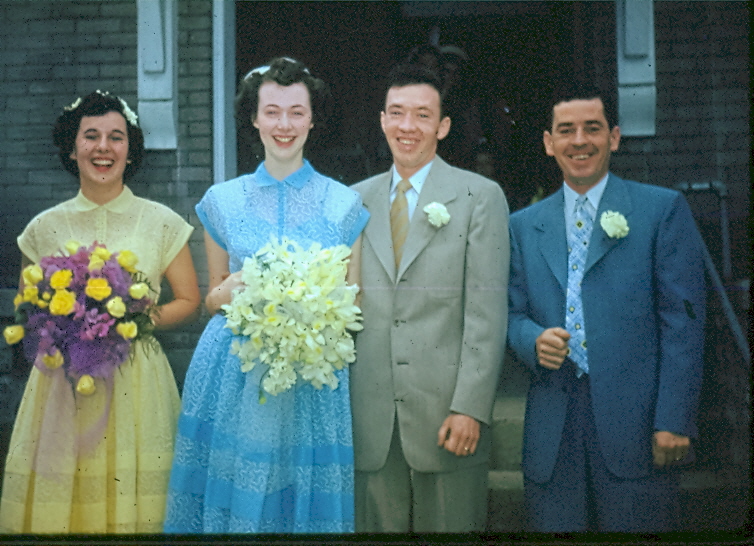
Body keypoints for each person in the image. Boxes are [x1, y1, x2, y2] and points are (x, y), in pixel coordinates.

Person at [164, 57, 368, 533]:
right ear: (253, 119)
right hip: (233, 371)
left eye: (297, 112)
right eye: (271, 112)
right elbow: (211, 299)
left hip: (310, 377)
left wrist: (312, 309)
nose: (284, 125)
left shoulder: (345, 204)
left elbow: (353, 303)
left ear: (313, 119)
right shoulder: (222, 200)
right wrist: (236, 288)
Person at [507, 81, 707, 532]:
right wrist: (530, 339)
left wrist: (674, 419)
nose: (579, 141)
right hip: (553, 431)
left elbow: (684, 324)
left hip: (639, 427)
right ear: (548, 142)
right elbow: (509, 314)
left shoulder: (660, 210)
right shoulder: (522, 225)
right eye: (566, 130)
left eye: (592, 128)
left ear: (614, 137)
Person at [0, 90, 200, 533]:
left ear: (130, 150)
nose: (103, 147)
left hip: (137, 379)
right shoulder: (43, 227)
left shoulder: (162, 221)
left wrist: (130, 323)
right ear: (72, 149)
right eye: (90, 136)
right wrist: (63, 328)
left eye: (116, 137)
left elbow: (188, 300)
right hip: (63, 383)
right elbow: (27, 313)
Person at [350, 64, 509, 532]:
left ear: (443, 126)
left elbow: (486, 313)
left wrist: (470, 407)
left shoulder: (479, 196)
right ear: (382, 120)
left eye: (422, 115)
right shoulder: (352, 201)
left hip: (447, 413)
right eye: (397, 113)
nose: (408, 126)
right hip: (371, 418)